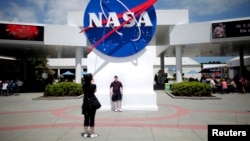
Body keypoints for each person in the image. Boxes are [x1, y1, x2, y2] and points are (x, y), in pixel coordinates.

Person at [81, 73, 99, 138]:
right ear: (91, 79)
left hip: (85, 104)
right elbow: (95, 91)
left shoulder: (83, 86)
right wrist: (92, 83)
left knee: (86, 119)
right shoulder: (93, 85)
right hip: (92, 104)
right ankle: (92, 133)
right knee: (92, 118)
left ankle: (85, 133)